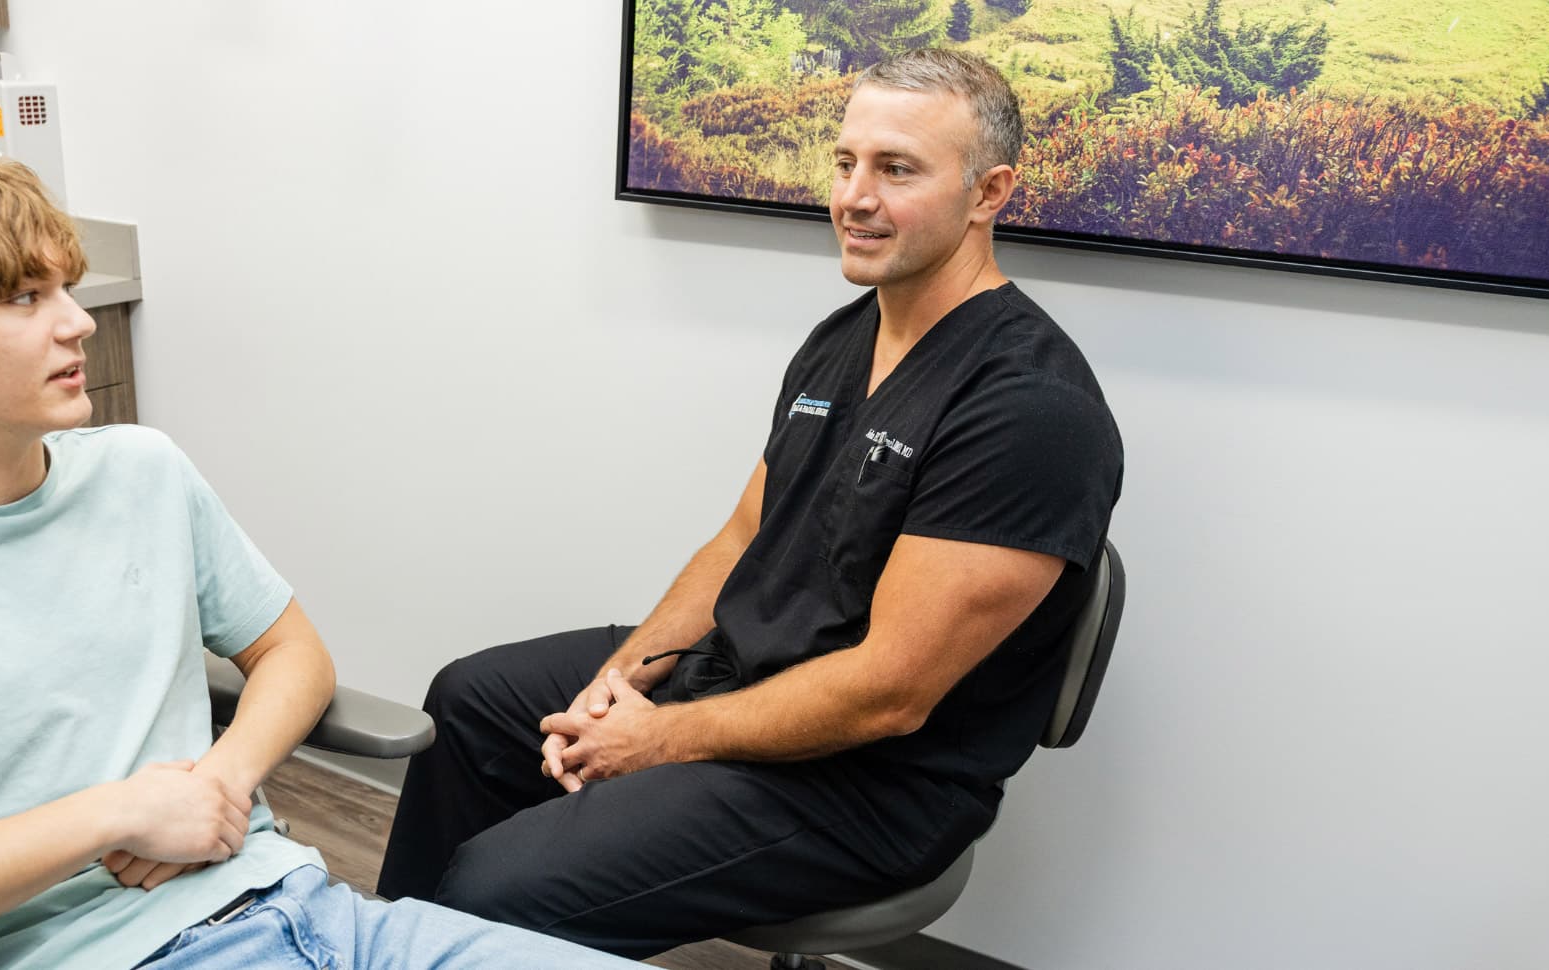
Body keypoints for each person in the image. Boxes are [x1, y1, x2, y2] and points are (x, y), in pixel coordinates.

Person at [0, 145, 642, 970]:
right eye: (24, 297)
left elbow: (294, 654)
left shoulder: (139, 471)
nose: (78, 322)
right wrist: (115, 816)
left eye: (67, 286)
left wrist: (221, 781)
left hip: (312, 914)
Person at [376, 48, 1124, 958]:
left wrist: (657, 741)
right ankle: (389, 950)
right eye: (846, 162)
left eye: (897, 169)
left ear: (988, 192)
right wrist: (631, 677)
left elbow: (887, 695)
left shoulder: (1029, 409)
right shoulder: (844, 339)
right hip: (742, 673)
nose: (854, 196)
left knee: (497, 885)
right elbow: (742, 538)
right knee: (472, 702)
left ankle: (476, 932)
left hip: (867, 783)